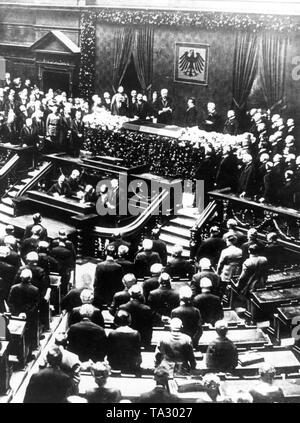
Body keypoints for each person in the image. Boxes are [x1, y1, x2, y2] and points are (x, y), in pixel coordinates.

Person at [8, 268, 40, 351]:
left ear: (21, 277)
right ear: (30, 278)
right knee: (30, 333)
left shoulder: (13, 288)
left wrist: (16, 313)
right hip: (30, 317)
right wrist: (27, 313)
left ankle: (16, 348)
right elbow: (36, 305)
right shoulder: (35, 289)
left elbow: (10, 303)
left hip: (16, 315)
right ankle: (32, 348)